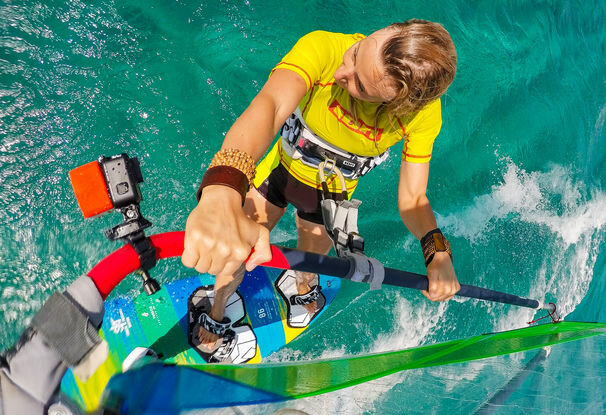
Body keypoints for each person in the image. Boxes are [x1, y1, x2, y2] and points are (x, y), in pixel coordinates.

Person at [182, 19, 460, 351]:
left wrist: (437, 252)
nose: (343, 73)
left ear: (397, 104)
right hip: (279, 173)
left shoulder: (422, 115)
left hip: (329, 200)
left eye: (360, 85)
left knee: (311, 258)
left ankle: (302, 285)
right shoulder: (324, 48)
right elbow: (269, 108)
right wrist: (222, 189)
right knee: (237, 252)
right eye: (356, 53)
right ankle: (217, 307)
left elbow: (413, 197)